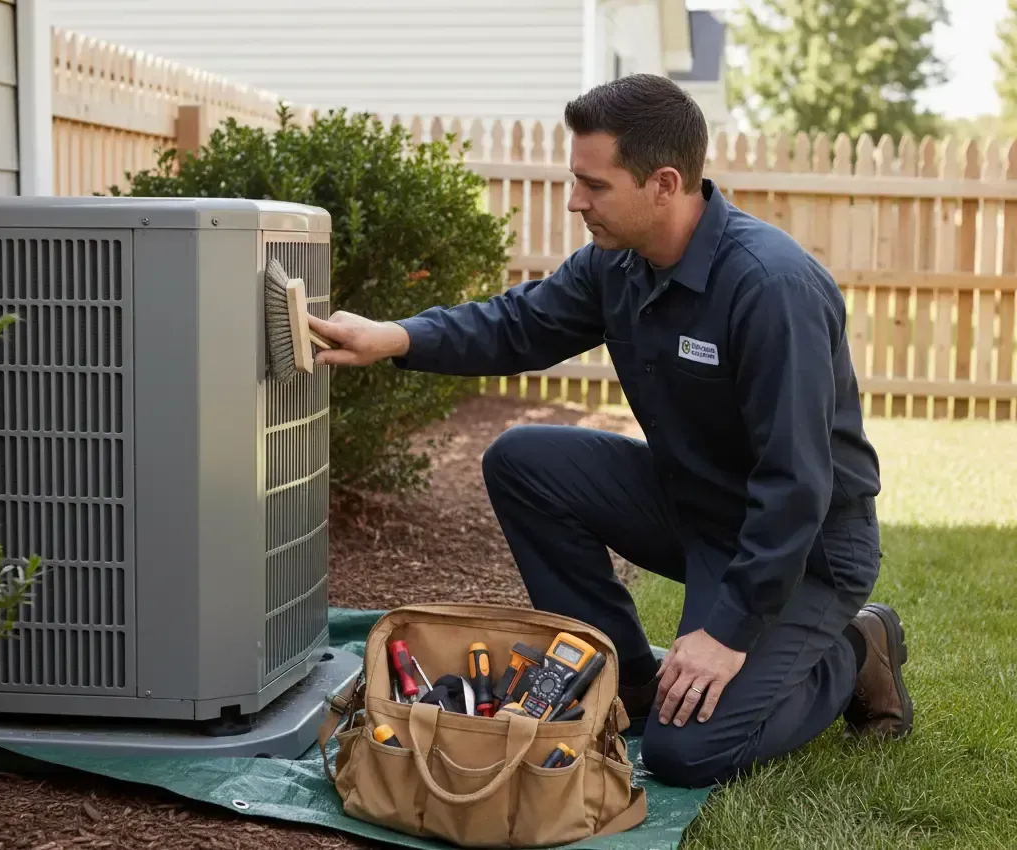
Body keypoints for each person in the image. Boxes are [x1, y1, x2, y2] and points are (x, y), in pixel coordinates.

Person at [307, 74, 913, 789]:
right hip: (696, 506)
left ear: (663, 183)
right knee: (524, 461)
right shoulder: (616, 265)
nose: (574, 201)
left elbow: (796, 486)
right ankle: (625, 680)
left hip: (805, 547)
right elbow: (520, 324)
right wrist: (396, 337)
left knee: (687, 755)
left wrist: (725, 635)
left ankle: (854, 648)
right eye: (575, 179)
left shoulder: (769, 287)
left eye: (594, 185)